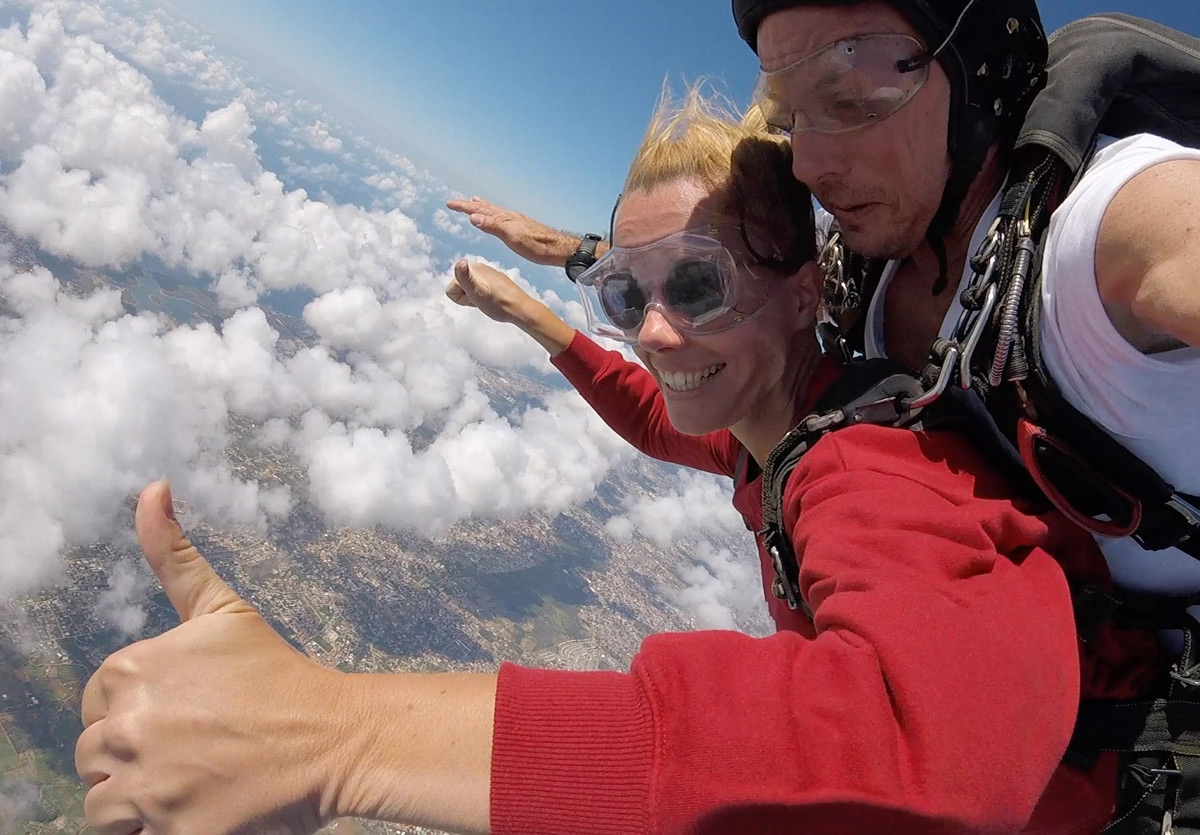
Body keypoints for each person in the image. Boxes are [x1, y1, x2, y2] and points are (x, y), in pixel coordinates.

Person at [77, 91, 1158, 834]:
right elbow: (658, 413)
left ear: (799, 293)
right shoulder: (770, 430)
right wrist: (539, 320)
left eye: (693, 287)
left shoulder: (877, 466)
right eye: (624, 295)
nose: (651, 330)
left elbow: (930, 750)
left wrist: (339, 737)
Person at [446, 0, 1200, 603]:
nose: (806, 162)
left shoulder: (1102, 231)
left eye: (849, 99)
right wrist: (565, 259)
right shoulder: (861, 271)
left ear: (973, 74)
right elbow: (720, 285)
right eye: (790, 118)